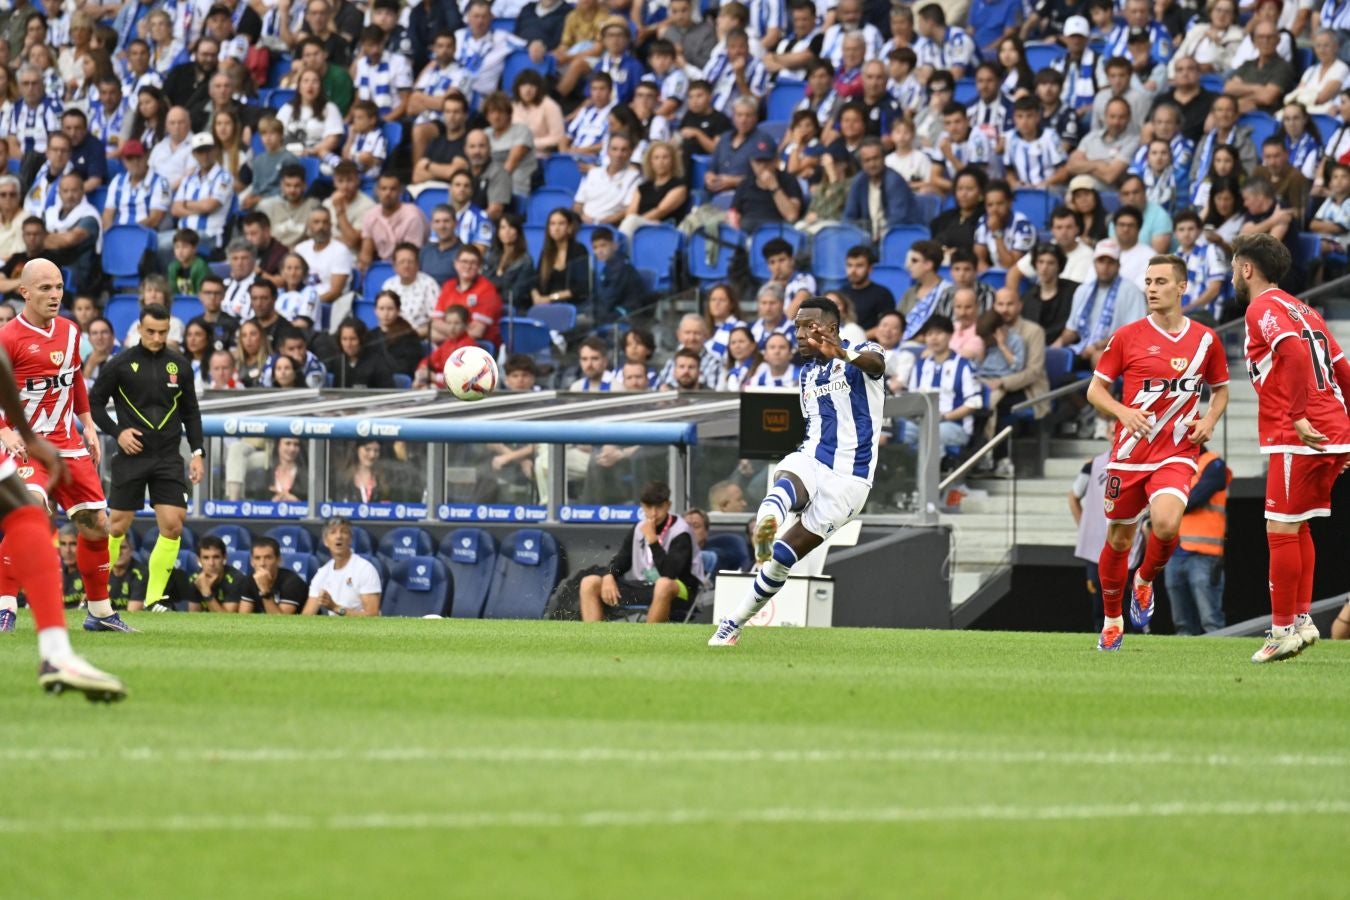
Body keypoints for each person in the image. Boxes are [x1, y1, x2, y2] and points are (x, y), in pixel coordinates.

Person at [709, 298, 886, 646]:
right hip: (813, 457)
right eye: (798, 327)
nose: (801, 334)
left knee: (783, 560)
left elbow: (876, 364)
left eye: (810, 326)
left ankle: (734, 623)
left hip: (851, 480)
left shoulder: (862, 352)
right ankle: (765, 527)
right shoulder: (806, 373)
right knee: (786, 481)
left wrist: (841, 353)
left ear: (832, 329)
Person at [1085, 254, 1229, 652]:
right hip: (1129, 453)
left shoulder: (1205, 339)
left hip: (1176, 451)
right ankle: (1113, 620)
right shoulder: (1127, 336)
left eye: (1161, 281)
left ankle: (1145, 580)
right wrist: (1123, 411)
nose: (1151, 288)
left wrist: (1210, 420)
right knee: (1118, 538)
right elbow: (1095, 390)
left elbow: (1220, 391)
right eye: (1148, 281)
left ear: (1182, 287)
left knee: (1166, 525)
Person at [0, 267, 123, 694]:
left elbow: (74, 385)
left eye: (59, 288)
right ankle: (6, 606)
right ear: (24, 292)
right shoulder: (9, 337)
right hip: (24, 445)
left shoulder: (72, 332)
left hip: (65, 442)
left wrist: (88, 424)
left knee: (96, 524)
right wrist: (4, 430)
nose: (55, 295)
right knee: (31, 513)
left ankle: (101, 611)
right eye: (46, 288)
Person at [1235, 233, 1350, 661]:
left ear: (1247, 268)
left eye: (1235, 266)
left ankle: (1282, 628)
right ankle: (1301, 620)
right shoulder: (1307, 310)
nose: (1234, 273)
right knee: (1298, 525)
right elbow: (1342, 368)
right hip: (1333, 428)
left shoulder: (1260, 308)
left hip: (1299, 432)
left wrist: (1298, 414)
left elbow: (1294, 354)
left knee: (1280, 528)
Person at [89, 303, 205, 611]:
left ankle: (154, 598)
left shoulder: (179, 365)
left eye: (163, 332)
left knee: (173, 524)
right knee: (117, 526)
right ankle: (97, 596)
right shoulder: (120, 364)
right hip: (132, 455)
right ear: (139, 329)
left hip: (168, 455)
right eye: (151, 331)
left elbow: (191, 412)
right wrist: (117, 433)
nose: (157, 337)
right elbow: (94, 404)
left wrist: (197, 453)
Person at [581, 481, 700, 623]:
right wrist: (609, 575)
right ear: (642, 506)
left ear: (668, 505)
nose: (654, 513)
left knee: (663, 584)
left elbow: (669, 573)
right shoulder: (639, 528)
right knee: (590, 583)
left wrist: (652, 540)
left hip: (679, 591)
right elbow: (622, 560)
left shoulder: (681, 532)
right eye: (649, 507)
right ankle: (594, 641)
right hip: (645, 586)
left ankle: (646, 641)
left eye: (659, 507)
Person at [1165, 443, 1230, 635]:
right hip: (1175, 552)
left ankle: (1220, 663)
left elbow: (1194, 499)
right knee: (1182, 623)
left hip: (1204, 555)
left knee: (1210, 620)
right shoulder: (1176, 466)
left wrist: (1168, 505)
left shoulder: (1213, 464)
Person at [1054, 240, 1148, 368]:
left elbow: (1132, 336)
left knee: (1100, 357)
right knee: (1049, 356)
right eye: (1101, 261)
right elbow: (1072, 330)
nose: (1105, 267)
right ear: (1094, 264)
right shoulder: (1083, 290)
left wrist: (1098, 346)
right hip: (1083, 348)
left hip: (1120, 351)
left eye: (1110, 262)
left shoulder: (1132, 291)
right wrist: (1054, 347)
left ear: (1118, 265)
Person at [302, 518, 381, 616]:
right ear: (326, 541)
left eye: (344, 532)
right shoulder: (322, 573)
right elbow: (307, 616)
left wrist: (335, 607)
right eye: (333, 532)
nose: (339, 536)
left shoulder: (365, 569)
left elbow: (372, 616)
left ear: (350, 540)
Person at [1069, 447, 1111, 627]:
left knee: (1127, 594)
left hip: (1129, 543)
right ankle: (1100, 633)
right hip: (1098, 544)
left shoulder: (1144, 464)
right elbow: (1073, 496)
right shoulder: (1094, 465)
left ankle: (1136, 635)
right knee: (1098, 592)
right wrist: (1084, 527)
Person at [238, 536, 310, 614]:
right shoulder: (249, 580)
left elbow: (280, 622)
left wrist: (265, 592)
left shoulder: (293, 582)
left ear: (279, 560)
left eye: (268, 558)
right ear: (252, 562)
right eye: (257, 558)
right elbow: (244, 617)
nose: (262, 563)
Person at [185, 535, 252, 613]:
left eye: (216, 557)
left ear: (224, 557)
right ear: (199, 560)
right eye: (206, 558)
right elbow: (193, 616)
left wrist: (206, 592)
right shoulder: (195, 579)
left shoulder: (236, 579)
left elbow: (226, 620)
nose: (211, 563)